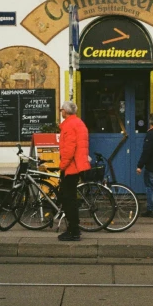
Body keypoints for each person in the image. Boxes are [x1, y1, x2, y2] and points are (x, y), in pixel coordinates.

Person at [57, 101, 90, 241]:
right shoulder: (79, 123)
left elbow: (69, 150)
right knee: (68, 197)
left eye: (62, 110)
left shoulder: (69, 125)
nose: (61, 112)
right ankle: (73, 228)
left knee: (68, 199)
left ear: (66, 111)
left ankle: (74, 231)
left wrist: (62, 166)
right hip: (78, 166)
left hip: (71, 167)